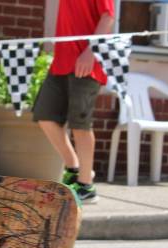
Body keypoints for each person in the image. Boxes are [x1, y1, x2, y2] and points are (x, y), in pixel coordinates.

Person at [32, 0, 115, 203]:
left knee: (80, 124)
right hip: (61, 62)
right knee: (45, 115)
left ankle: (86, 186)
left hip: (87, 63)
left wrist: (90, 53)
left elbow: (108, 17)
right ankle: (73, 167)